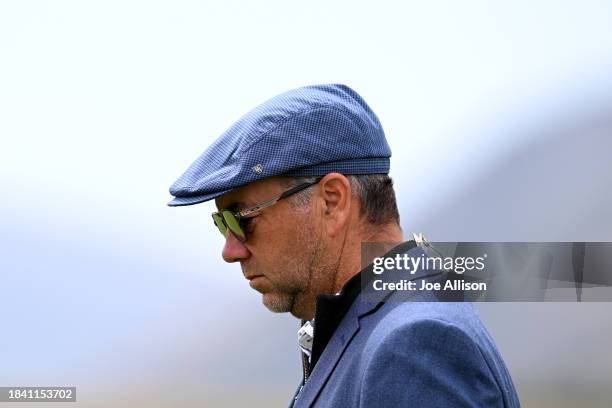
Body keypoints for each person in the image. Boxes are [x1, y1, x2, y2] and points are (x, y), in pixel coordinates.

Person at [168, 84, 521, 407]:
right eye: (222, 224)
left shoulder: (411, 344)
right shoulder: (371, 326)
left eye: (242, 218)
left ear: (332, 202)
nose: (230, 251)